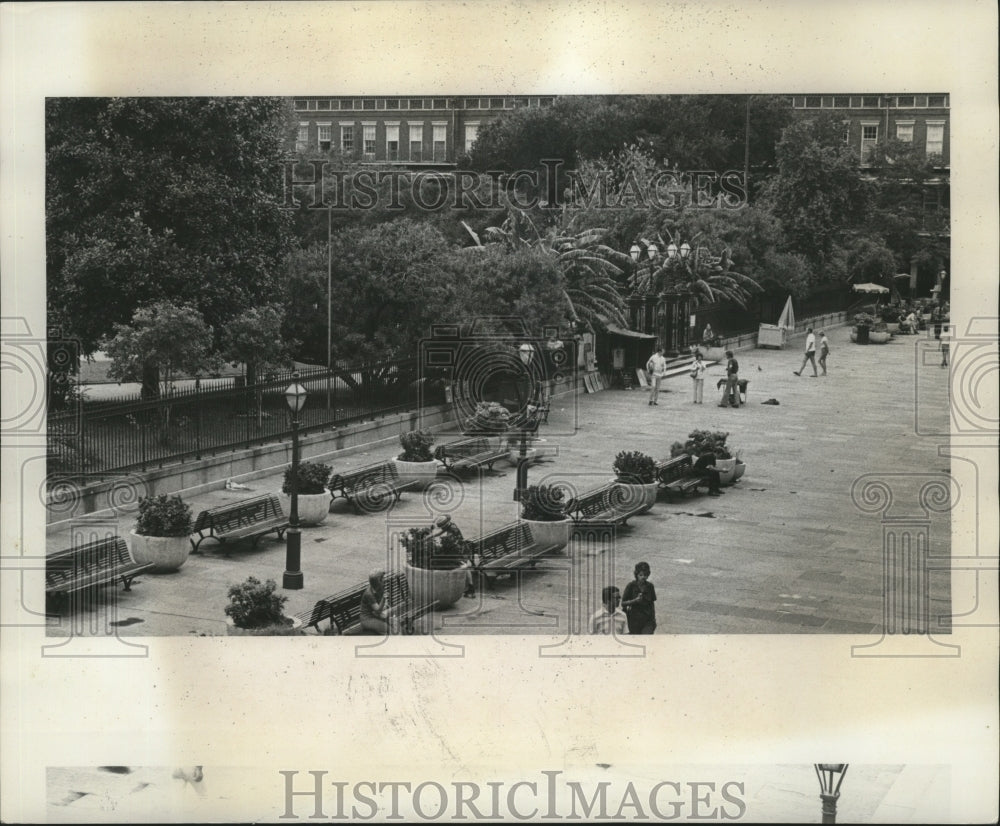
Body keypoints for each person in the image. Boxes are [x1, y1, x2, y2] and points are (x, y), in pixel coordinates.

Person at [622, 561, 657, 634]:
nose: (643, 577)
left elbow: (652, 604)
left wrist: (653, 620)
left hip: (647, 620)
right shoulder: (631, 586)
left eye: (645, 575)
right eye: (641, 575)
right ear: (636, 575)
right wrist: (635, 601)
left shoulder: (650, 586)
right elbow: (623, 603)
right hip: (633, 620)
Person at [359, 569, 394, 635]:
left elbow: (380, 608)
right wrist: (384, 598)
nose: (384, 580)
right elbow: (378, 610)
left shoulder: (380, 588)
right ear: (378, 582)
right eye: (382, 578)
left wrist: (386, 607)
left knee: (393, 621)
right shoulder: (369, 594)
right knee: (389, 629)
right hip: (367, 619)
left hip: (376, 615)